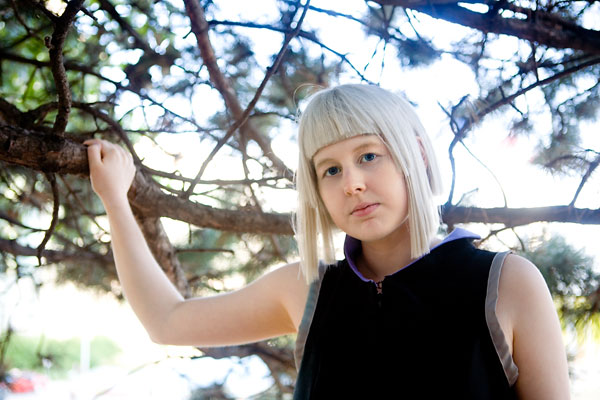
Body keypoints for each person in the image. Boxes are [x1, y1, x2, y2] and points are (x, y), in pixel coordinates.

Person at [85, 84, 570, 399]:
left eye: (369, 156)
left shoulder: (504, 283)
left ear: (417, 155)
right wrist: (115, 200)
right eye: (330, 170)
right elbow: (167, 321)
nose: (352, 183)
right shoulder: (308, 291)